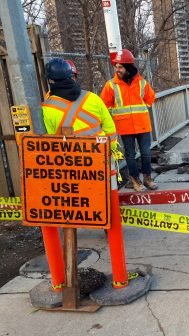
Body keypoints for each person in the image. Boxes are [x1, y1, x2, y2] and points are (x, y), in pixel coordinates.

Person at [41, 58, 135, 291]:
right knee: (108, 201)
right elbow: (109, 127)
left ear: (51, 82)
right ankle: (106, 225)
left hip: (75, 167)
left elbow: (53, 139)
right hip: (104, 161)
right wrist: (112, 150)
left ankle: (85, 220)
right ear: (73, 77)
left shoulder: (47, 108)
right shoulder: (92, 98)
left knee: (82, 199)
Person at [100, 49, 157, 192]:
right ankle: (135, 180)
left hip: (143, 125)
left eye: (120, 67)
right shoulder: (111, 85)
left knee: (146, 153)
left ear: (128, 67)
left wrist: (141, 109)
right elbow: (103, 104)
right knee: (130, 155)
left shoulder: (141, 83)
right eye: (116, 66)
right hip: (125, 127)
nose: (117, 69)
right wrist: (114, 113)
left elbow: (150, 99)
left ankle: (147, 178)